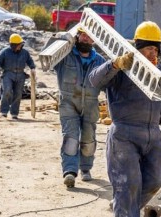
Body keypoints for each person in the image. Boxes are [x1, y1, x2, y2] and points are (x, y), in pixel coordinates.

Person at [89, 21, 161, 216]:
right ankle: (125, 209)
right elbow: (94, 80)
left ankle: (124, 208)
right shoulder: (123, 69)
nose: (153, 53)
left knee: (156, 181)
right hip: (124, 135)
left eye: (156, 49)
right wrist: (114, 64)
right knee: (128, 184)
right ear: (139, 48)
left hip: (152, 136)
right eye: (149, 48)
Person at [54, 27, 106, 188]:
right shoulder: (64, 55)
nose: (85, 38)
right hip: (68, 102)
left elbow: (110, 84)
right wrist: (61, 39)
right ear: (77, 36)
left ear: (94, 40)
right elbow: (47, 54)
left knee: (88, 138)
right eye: (82, 34)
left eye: (89, 36)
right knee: (70, 137)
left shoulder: (99, 61)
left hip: (91, 104)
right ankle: (69, 171)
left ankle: (85, 169)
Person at [0, 33, 36, 119]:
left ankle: (14, 113)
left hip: (20, 75)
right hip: (8, 74)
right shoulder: (4, 52)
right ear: (13, 45)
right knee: (7, 91)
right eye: (19, 44)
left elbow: (30, 61)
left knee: (18, 94)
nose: (21, 46)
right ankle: (4, 111)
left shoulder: (25, 52)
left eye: (21, 44)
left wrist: (33, 68)